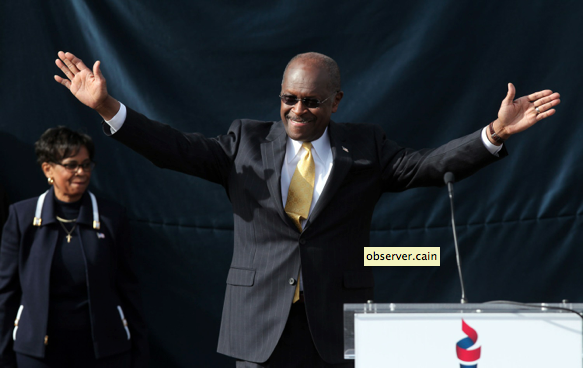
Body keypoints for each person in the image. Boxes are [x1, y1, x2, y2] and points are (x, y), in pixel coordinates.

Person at [53, 51, 560, 368]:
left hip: (335, 324)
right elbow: (172, 148)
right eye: (288, 99)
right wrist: (106, 108)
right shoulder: (243, 142)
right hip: (258, 324)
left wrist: (492, 135)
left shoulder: (366, 148)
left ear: (335, 101)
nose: (297, 111)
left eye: (311, 102)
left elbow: (428, 165)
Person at [0, 127, 149, 367]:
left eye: (86, 164)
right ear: (48, 168)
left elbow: (128, 288)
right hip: (37, 353)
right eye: (71, 165)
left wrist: (140, 354)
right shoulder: (21, 217)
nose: (81, 172)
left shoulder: (112, 218)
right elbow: (6, 292)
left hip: (104, 352)